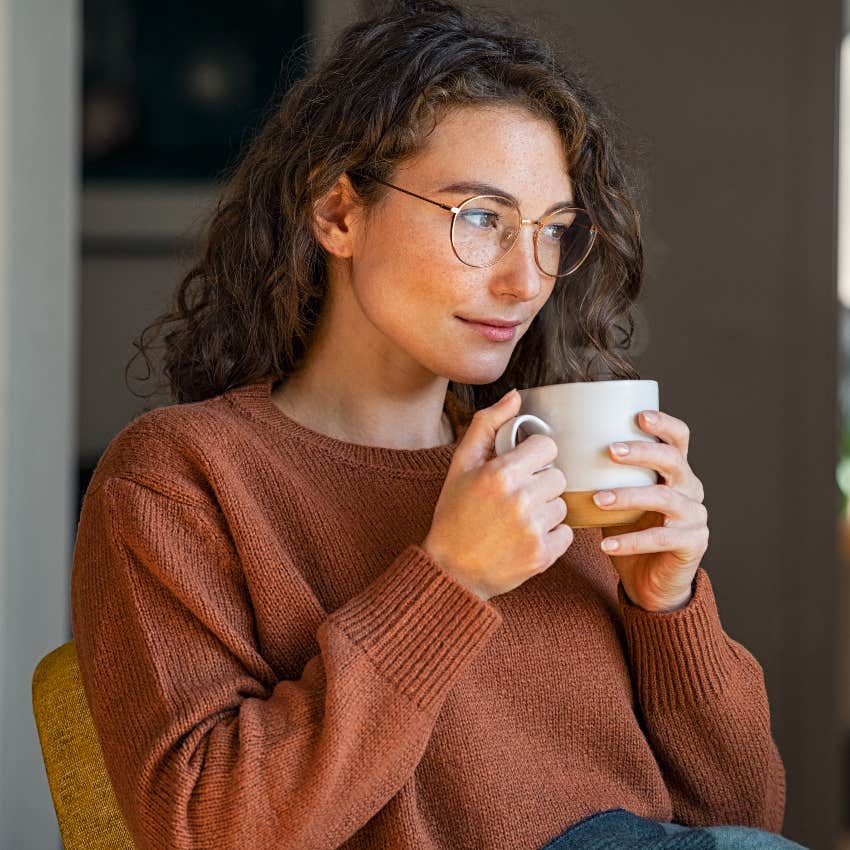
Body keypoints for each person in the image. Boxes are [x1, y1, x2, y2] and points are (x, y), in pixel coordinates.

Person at [70, 1, 806, 848]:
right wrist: (451, 580)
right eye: (481, 218)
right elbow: (203, 828)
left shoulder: (557, 465)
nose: (526, 280)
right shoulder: (180, 477)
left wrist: (668, 605)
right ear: (338, 214)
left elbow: (748, 818)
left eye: (554, 232)